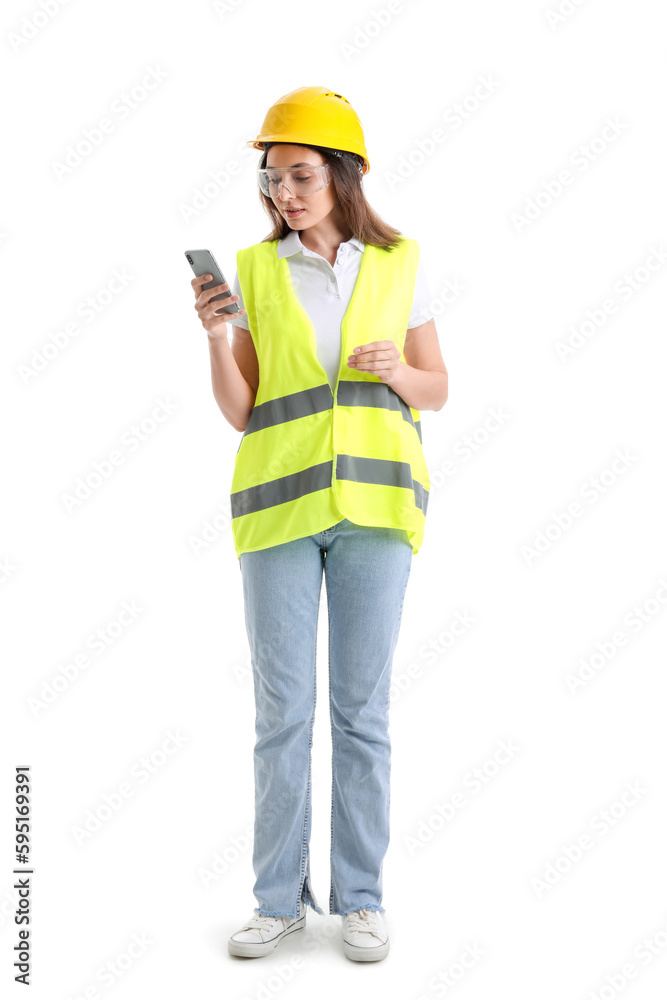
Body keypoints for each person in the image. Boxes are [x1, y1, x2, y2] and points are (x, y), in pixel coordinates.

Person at [191, 86, 448, 963]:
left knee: (361, 713)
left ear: (342, 175)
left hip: (377, 508)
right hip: (277, 512)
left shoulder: (403, 261)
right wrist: (219, 340)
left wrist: (395, 372)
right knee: (282, 712)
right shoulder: (255, 269)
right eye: (271, 180)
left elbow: (436, 387)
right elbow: (242, 411)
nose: (283, 195)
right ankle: (276, 901)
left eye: (299, 176)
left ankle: (362, 899)